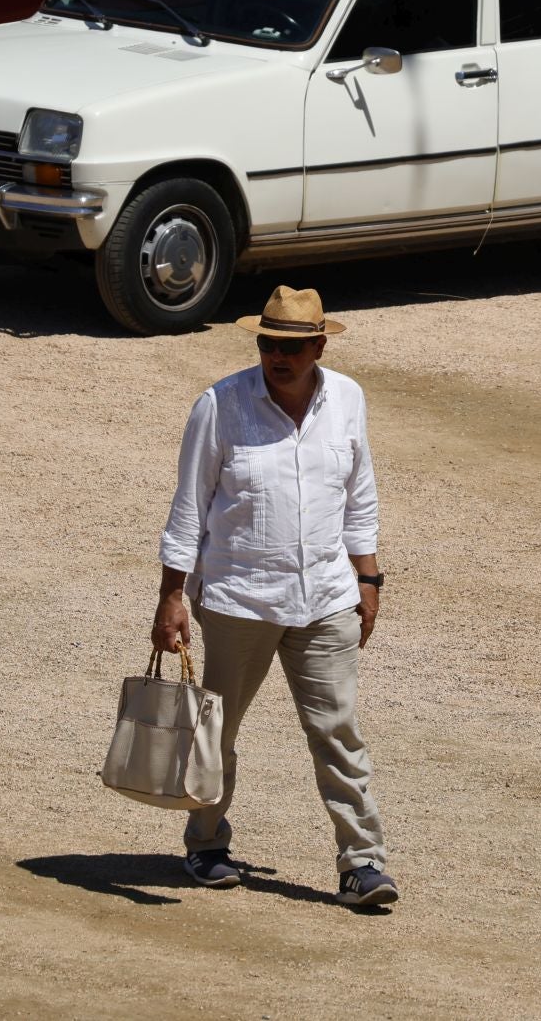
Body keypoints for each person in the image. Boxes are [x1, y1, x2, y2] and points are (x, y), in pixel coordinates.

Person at [153, 285, 398, 907]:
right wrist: (172, 595)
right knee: (217, 730)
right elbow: (189, 508)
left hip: (327, 597)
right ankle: (206, 843)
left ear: (319, 347)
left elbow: (359, 497)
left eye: (291, 347)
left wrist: (368, 580)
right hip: (240, 600)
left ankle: (363, 863)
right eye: (268, 345)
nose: (277, 357)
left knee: (338, 733)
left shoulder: (348, 400)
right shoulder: (219, 405)